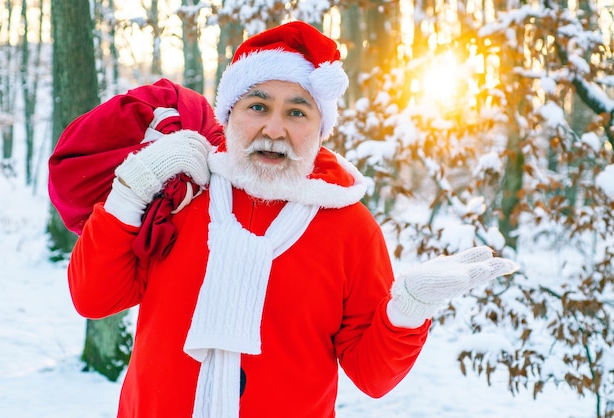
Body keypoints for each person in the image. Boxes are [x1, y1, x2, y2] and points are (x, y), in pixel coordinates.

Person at [66, 21, 518, 418]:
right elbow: (94, 298)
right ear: (229, 116)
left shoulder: (351, 228)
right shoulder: (186, 193)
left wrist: (409, 309)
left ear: (320, 128)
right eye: (257, 106)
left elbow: (372, 377)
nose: (274, 129)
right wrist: (128, 193)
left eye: (296, 112)